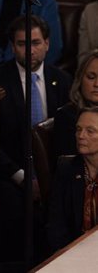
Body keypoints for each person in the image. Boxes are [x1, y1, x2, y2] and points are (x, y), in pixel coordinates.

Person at [0, 14, 72, 260]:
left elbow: (66, 135)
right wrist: (22, 177)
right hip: (10, 174)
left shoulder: (62, 80)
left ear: (47, 44)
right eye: (22, 44)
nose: (30, 50)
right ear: (13, 47)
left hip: (54, 173)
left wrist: (49, 177)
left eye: (35, 43)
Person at [46, 107, 98, 252]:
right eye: (78, 129)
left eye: (90, 131)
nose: (81, 136)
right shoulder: (66, 168)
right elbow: (56, 226)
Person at [54, 50, 98, 158]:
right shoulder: (66, 116)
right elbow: (71, 164)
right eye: (91, 77)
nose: (97, 84)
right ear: (80, 79)